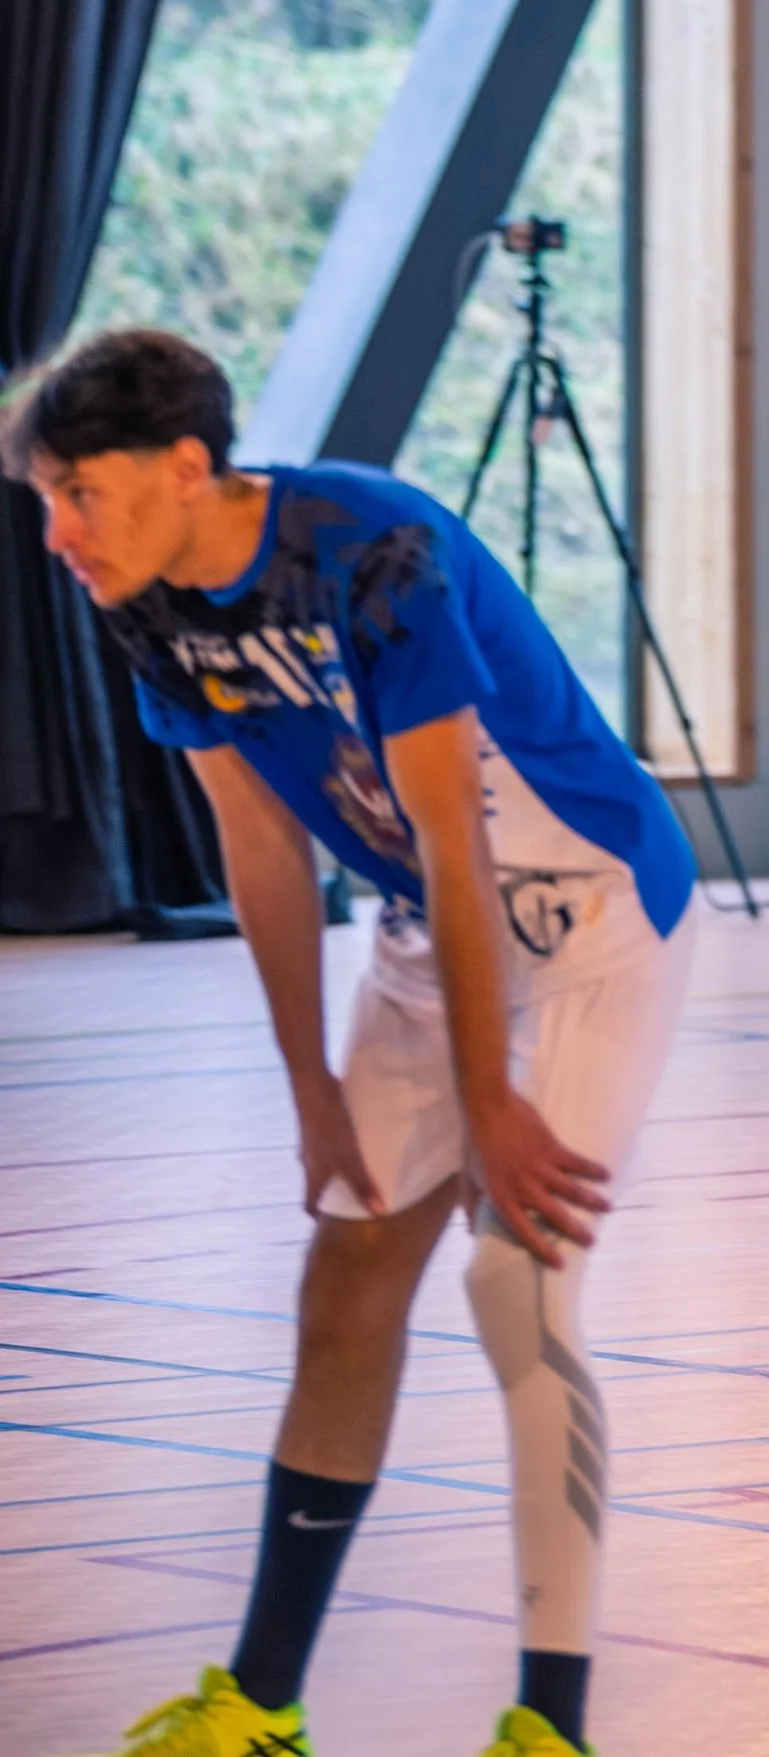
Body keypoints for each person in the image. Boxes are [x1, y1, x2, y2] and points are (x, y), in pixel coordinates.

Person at [12, 327, 700, 1757]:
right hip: (418, 932)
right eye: (43, 501)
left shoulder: (371, 549)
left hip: (594, 921)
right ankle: (259, 1707)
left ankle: (548, 1723)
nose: (57, 530)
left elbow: (453, 834)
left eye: (79, 491)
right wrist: (311, 1089)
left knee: (519, 1287)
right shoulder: (145, 600)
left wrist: (489, 1095)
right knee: (346, 1286)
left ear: (189, 467)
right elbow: (259, 844)